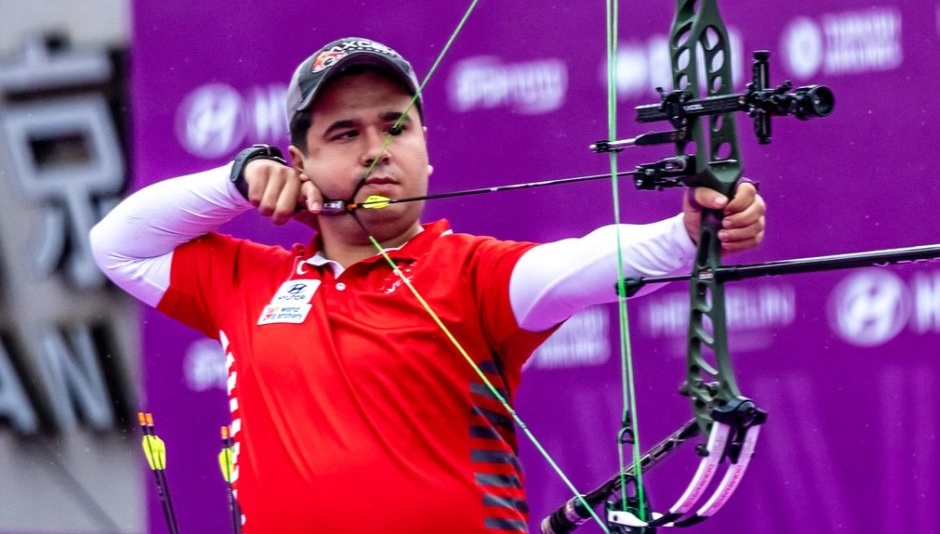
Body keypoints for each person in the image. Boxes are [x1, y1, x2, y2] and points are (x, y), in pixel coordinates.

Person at [90, 37, 765, 534]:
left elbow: (591, 260)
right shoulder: (245, 279)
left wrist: (689, 234)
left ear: (426, 145)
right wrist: (235, 179)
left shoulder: (473, 273)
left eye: (396, 126)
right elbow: (115, 244)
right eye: (344, 133)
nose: (376, 150)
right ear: (300, 162)